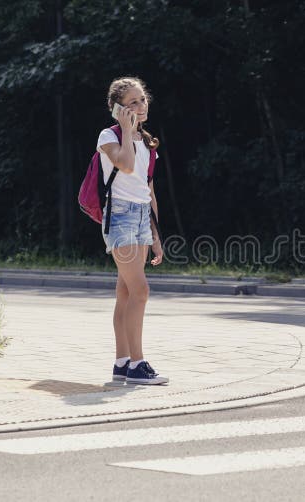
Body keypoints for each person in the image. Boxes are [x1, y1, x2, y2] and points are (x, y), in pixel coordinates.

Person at [97, 76, 167, 385]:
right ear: (118, 110)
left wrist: (156, 234)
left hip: (140, 217)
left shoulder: (148, 143)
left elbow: (148, 189)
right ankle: (138, 365)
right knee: (141, 290)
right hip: (120, 216)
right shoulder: (109, 136)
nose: (141, 106)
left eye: (143, 99)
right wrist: (126, 131)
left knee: (126, 292)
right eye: (132, 103)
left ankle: (122, 362)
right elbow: (125, 166)